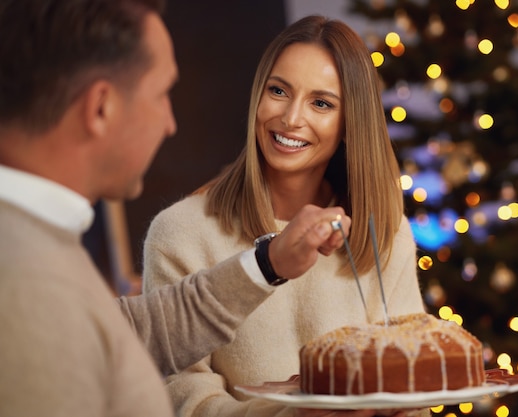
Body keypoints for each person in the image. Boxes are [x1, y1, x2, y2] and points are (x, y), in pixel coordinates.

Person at [0, 2, 354, 417]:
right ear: (101, 107)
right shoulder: (24, 280)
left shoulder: (37, 240)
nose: (169, 122)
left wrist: (268, 263)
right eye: (161, 94)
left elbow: (138, 329)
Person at [142, 15, 428, 417]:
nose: (292, 118)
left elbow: (413, 384)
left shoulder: (383, 229)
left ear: (349, 124)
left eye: (321, 103)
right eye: (279, 91)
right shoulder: (180, 233)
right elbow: (182, 399)